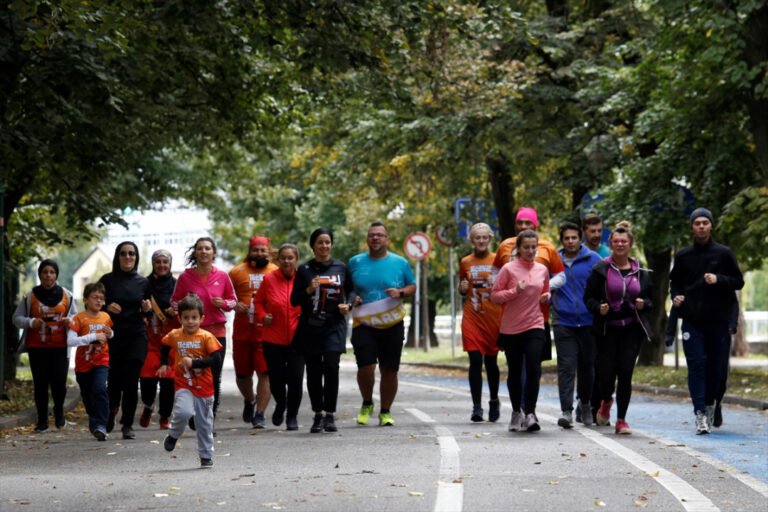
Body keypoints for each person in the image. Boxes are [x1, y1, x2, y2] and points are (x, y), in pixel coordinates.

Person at [670, 207, 744, 435]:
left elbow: (738, 282)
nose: (701, 226)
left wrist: (719, 279)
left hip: (719, 322)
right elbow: (675, 283)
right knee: (697, 366)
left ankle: (714, 403)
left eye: (705, 222)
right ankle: (701, 413)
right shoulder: (683, 256)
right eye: (697, 223)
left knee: (718, 371)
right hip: (692, 321)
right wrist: (676, 296)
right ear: (692, 227)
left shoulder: (723, 254)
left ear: (711, 226)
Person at [583, 222, 653, 435]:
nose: (620, 244)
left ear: (630, 244)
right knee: (605, 375)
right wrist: (599, 308)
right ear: (610, 244)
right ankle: (606, 400)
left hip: (631, 329)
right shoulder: (600, 269)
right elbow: (589, 298)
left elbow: (652, 300)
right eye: (616, 241)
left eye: (624, 241)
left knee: (625, 373)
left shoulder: (641, 271)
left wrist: (644, 304)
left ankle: (621, 419)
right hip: (607, 329)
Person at [492, 207, 565, 408]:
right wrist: (509, 291)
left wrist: (547, 291)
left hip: (538, 317)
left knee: (533, 365)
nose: (523, 226)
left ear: (536, 225)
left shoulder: (547, 248)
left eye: (528, 223)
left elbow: (559, 275)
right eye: (520, 223)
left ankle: (528, 408)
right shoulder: (505, 246)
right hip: (511, 316)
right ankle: (519, 407)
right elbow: (495, 276)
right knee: (516, 368)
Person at [348, 222, 416, 427]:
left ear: (387, 239)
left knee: (389, 369)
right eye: (371, 235)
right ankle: (367, 402)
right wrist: (353, 298)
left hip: (392, 322)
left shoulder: (400, 262)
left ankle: (385, 411)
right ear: (367, 239)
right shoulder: (355, 262)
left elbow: (412, 286)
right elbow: (347, 288)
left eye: (380, 235)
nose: (375, 238)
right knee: (366, 366)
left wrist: (401, 293)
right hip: (364, 322)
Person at [291, 228, 356, 433]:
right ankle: (318, 414)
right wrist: (309, 290)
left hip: (334, 324)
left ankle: (330, 414)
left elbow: (352, 291)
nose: (324, 246)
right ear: (313, 245)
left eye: (327, 242)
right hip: (311, 326)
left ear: (331, 245)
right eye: (320, 242)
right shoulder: (304, 269)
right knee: (313, 371)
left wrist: (349, 305)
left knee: (331, 365)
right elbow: (294, 299)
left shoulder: (341, 267)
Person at [491, 230, 550, 432]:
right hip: (511, 328)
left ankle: (530, 413)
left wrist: (546, 295)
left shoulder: (542, 269)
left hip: (535, 324)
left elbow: (545, 289)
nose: (531, 251)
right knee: (515, 372)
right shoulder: (508, 269)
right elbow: (495, 296)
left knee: (534, 368)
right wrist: (515, 291)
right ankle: (516, 411)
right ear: (518, 249)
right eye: (526, 247)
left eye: (534, 247)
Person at [172, 237, 236, 421]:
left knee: (213, 377)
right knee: (192, 374)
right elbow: (174, 301)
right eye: (200, 248)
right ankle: (192, 411)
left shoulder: (222, 276)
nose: (204, 251)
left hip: (216, 334)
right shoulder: (185, 277)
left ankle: (209, 417)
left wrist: (222, 303)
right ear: (195, 252)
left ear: (213, 253)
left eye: (208, 248)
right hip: (192, 335)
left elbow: (233, 301)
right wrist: (185, 305)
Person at [160, 293, 223, 469]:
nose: (190, 321)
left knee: (204, 424)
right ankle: (173, 435)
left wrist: (194, 363)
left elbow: (216, 360)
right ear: (179, 317)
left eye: (194, 317)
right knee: (183, 412)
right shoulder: (175, 335)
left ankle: (206, 455)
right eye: (186, 317)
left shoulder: (206, 337)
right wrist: (164, 363)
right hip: (183, 384)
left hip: (205, 387)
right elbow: (164, 345)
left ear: (202, 318)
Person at [13, 259, 77, 431]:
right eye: (45, 272)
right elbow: (16, 318)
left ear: (56, 275)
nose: (48, 275)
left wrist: (69, 322)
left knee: (59, 384)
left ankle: (59, 411)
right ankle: (42, 420)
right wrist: (30, 321)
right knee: (40, 384)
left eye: (52, 272)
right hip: (37, 347)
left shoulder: (67, 296)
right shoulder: (30, 296)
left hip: (60, 347)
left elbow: (77, 321)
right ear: (40, 274)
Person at [551, 222, 602, 428]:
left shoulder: (593, 259)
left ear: (580, 238)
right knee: (566, 367)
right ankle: (566, 411)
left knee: (588, 367)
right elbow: (543, 285)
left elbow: (605, 285)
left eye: (574, 237)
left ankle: (586, 404)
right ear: (562, 240)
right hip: (564, 322)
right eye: (566, 238)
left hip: (589, 322)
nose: (571, 241)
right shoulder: (553, 261)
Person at [99, 242, 151, 439]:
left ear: (136, 257)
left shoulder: (143, 283)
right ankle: (111, 411)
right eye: (123, 254)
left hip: (136, 336)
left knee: (131, 381)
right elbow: (94, 305)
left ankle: (127, 424)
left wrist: (147, 309)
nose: (128, 257)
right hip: (113, 336)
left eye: (131, 253)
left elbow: (152, 313)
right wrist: (106, 308)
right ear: (117, 257)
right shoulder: (107, 280)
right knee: (114, 381)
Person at [253, 243, 303, 431]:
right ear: (278, 260)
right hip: (273, 338)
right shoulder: (269, 279)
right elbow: (258, 302)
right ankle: (281, 403)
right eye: (283, 258)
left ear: (296, 259)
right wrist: (262, 315)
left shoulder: (303, 279)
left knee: (296, 379)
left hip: (298, 338)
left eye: (291, 258)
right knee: (276, 379)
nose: (287, 261)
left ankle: (292, 416)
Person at [229, 236, 278, 428]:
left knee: (265, 373)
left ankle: (260, 414)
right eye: (255, 250)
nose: (259, 253)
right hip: (242, 332)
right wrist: (234, 305)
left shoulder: (276, 271)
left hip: (266, 332)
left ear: (268, 252)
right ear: (249, 252)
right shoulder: (236, 272)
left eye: (262, 250)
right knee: (242, 375)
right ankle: (250, 400)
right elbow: (225, 297)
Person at [458, 223, 503, 423]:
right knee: (475, 360)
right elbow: (462, 288)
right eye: (478, 238)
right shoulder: (465, 261)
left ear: (490, 239)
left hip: (493, 317)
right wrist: (462, 286)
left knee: (491, 362)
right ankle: (477, 406)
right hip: (472, 315)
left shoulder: (499, 261)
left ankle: (494, 400)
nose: (482, 241)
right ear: (472, 240)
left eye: (485, 237)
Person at [67, 282, 114, 440]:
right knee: (88, 397)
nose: (99, 301)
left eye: (102, 298)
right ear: (85, 300)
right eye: (95, 297)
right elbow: (71, 341)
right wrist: (93, 337)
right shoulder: (78, 318)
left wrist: (110, 333)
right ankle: (95, 423)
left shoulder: (106, 317)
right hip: (83, 364)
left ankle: (102, 424)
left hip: (101, 360)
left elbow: (110, 335)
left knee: (100, 389)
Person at [139, 250, 178, 430]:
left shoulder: (177, 286)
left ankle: (164, 415)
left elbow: (188, 309)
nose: (162, 265)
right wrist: (144, 310)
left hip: (170, 342)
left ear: (170, 264)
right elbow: (135, 308)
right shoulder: (144, 285)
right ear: (153, 264)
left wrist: (176, 311)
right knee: (147, 381)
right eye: (158, 262)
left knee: (168, 382)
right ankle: (148, 406)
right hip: (150, 341)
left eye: (165, 262)